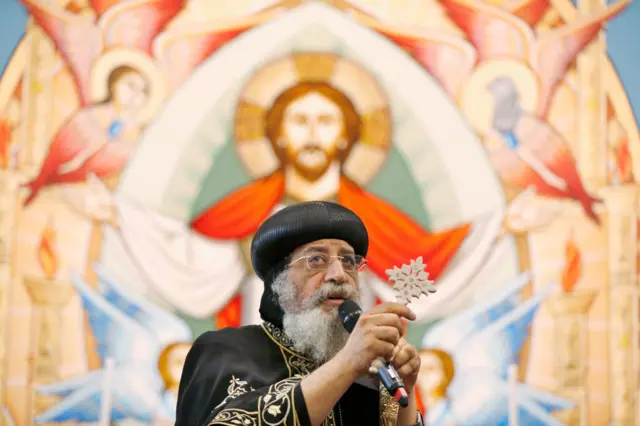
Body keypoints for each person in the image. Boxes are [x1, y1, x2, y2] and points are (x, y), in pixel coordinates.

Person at [175, 201, 425, 426]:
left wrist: (406, 387)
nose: (339, 274)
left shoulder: (369, 377)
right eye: (317, 259)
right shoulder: (223, 349)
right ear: (279, 281)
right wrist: (348, 363)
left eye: (349, 261)